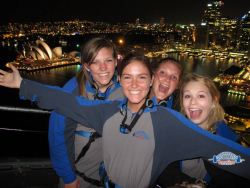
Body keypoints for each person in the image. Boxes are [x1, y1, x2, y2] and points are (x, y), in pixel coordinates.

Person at [0, 53, 250, 188]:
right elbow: (68, 103)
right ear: (121, 80)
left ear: (150, 81)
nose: (134, 84)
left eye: (142, 77)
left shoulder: (168, 121)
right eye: (128, 77)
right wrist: (22, 84)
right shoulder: (107, 111)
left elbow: (219, 150)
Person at [48, 37, 124, 188]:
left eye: (108, 60)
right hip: (79, 179)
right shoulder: (73, 90)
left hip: (112, 178)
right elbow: (58, 135)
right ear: (87, 66)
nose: (103, 68)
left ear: (116, 61)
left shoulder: (126, 89)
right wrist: (68, 178)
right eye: (95, 62)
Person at [155, 73, 245, 188]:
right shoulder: (174, 132)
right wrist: (190, 184)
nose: (193, 102)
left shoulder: (228, 140)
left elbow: (235, 181)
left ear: (214, 100)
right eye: (187, 96)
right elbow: (164, 170)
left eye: (201, 96)